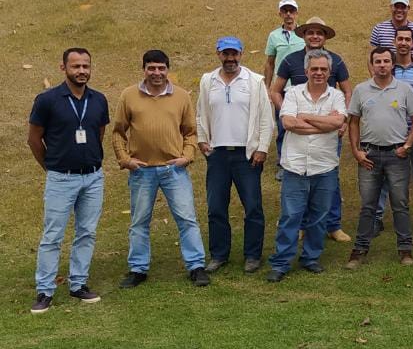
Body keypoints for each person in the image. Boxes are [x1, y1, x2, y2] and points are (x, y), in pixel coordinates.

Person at [112, 50, 210, 288]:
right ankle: (137, 269)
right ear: (144, 69)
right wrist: (125, 160)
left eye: (161, 68)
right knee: (139, 222)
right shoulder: (128, 95)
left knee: (187, 219)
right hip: (141, 171)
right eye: (151, 68)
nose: (156, 73)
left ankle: (196, 266)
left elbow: (190, 132)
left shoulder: (181, 96)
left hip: (173, 170)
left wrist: (187, 156)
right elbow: (118, 132)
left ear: (168, 69)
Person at [28, 48, 111, 314]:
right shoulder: (47, 100)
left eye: (86, 66)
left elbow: (99, 134)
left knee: (87, 232)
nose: (82, 71)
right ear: (63, 68)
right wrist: (51, 168)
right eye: (76, 66)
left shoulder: (98, 100)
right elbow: (34, 139)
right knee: (53, 235)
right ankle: (45, 290)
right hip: (61, 179)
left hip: (93, 177)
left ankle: (78, 284)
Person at [194, 36, 274, 275]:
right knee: (216, 207)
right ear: (218, 53)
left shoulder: (255, 81)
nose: (230, 58)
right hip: (217, 154)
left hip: (246, 154)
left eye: (234, 54)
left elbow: (266, 118)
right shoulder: (208, 81)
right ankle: (219, 254)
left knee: (252, 207)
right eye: (225, 53)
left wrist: (262, 148)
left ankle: (252, 255)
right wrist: (201, 139)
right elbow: (201, 113)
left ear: (241, 54)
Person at [266, 49, 347, 282]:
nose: (319, 73)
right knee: (290, 216)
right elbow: (289, 123)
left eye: (323, 69)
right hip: (295, 166)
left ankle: (311, 258)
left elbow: (339, 121)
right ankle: (281, 262)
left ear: (330, 72)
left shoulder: (337, 96)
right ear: (306, 71)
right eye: (314, 69)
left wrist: (307, 117)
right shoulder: (292, 93)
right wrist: (325, 123)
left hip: (324, 166)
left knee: (319, 217)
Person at [270, 17, 353, 243]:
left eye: (319, 33)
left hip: (328, 126)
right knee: (298, 174)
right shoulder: (290, 60)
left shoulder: (335, 60)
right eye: (311, 32)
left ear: (325, 37)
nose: (315, 36)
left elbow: (346, 91)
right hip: (298, 127)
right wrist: (284, 111)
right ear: (304, 35)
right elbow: (276, 90)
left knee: (328, 176)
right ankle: (300, 224)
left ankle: (333, 225)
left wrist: (343, 120)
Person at [346, 46, 413, 268]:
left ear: (393, 64)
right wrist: (356, 151)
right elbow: (353, 122)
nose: (382, 65)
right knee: (368, 205)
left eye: (386, 61)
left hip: (396, 155)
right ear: (372, 64)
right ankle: (359, 251)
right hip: (369, 155)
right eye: (377, 61)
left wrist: (407, 145)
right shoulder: (361, 90)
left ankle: (405, 250)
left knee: (400, 204)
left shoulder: (405, 89)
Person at [377, 25, 413, 237]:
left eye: (407, 39)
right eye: (399, 39)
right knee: (383, 177)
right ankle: (377, 218)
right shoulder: (385, 69)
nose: (403, 43)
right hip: (389, 134)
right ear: (394, 42)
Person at [264, 0, 303, 160]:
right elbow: (269, 63)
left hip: (301, 86)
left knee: (302, 122)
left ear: (297, 13)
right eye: (285, 11)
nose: (288, 14)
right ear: (280, 14)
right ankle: (283, 161)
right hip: (281, 88)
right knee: (282, 124)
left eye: (291, 11)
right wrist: (267, 87)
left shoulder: (304, 34)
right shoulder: (273, 36)